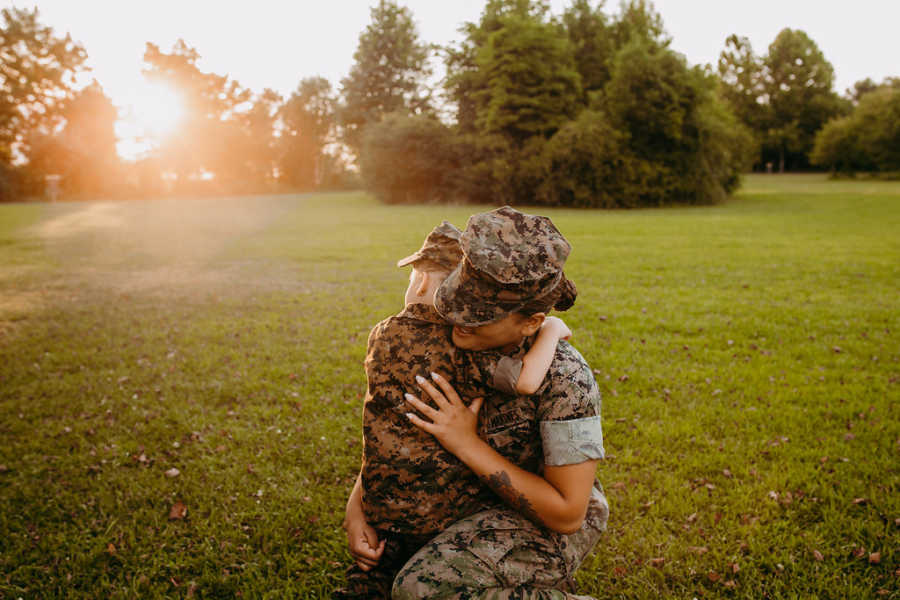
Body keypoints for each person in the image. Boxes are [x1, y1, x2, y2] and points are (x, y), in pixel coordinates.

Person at [338, 221, 574, 599]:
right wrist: (551, 331)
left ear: (420, 284)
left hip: (382, 506)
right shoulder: (461, 351)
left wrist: (359, 503)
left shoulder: (381, 333)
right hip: (442, 513)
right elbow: (526, 380)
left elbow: (383, 421)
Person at [393, 206, 609, 599]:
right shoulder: (451, 327)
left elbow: (569, 512)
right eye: (459, 293)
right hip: (464, 496)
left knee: (420, 589)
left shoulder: (565, 379)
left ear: (531, 322)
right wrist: (358, 505)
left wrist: (465, 443)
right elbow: (391, 413)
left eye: (479, 314)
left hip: (541, 519)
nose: (455, 314)